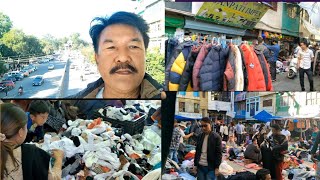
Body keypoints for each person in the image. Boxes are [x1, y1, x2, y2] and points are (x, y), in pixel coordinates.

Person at [69, 11, 162, 99]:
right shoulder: (70, 103)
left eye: (133, 46)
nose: (123, 58)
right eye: (111, 47)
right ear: (97, 58)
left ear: (145, 55)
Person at [0, 103, 63, 179]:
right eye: (25, 127)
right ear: (20, 132)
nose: (45, 120)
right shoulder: (32, 153)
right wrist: (58, 160)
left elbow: (40, 134)